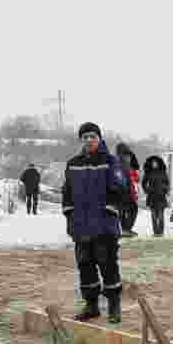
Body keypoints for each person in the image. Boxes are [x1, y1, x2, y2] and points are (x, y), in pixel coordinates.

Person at [62, 122, 126, 324]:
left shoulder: (110, 161)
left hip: (104, 225)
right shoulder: (73, 163)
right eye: (85, 137)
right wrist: (69, 213)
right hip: (81, 226)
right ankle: (91, 306)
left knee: (107, 265)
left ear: (99, 138)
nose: (89, 140)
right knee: (85, 266)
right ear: (81, 140)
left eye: (92, 136)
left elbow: (120, 189)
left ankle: (114, 306)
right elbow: (67, 191)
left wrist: (110, 209)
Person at [115, 143, 140, 237]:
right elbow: (124, 177)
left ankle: (124, 229)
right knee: (132, 209)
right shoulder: (122, 162)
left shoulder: (117, 160)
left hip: (121, 191)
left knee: (123, 211)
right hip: (124, 191)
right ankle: (125, 229)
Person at [141, 155, 169, 237]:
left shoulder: (163, 172)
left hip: (161, 196)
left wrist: (165, 190)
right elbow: (143, 183)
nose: (154, 164)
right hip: (152, 196)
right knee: (153, 215)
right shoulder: (148, 172)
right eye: (153, 163)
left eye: (156, 163)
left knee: (160, 215)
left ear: (158, 163)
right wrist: (147, 190)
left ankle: (161, 232)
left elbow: (167, 183)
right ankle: (156, 232)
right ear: (151, 164)